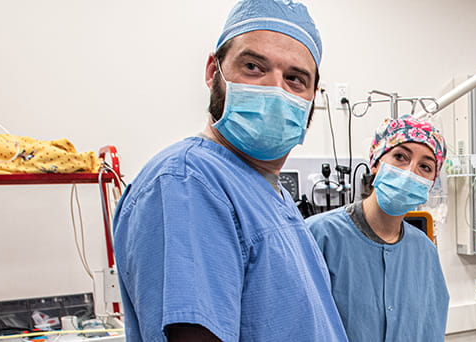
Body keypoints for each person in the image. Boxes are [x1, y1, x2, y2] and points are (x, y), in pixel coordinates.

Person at [110, 1, 347, 341]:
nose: (274, 89)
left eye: (295, 79)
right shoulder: (188, 182)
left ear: (313, 97)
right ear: (213, 71)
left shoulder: (269, 192)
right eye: (253, 67)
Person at [303, 117, 451, 341]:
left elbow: (431, 328)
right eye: (400, 156)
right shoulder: (320, 236)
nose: (410, 172)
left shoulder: (424, 251)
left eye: (425, 167)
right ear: (375, 162)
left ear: (432, 182)